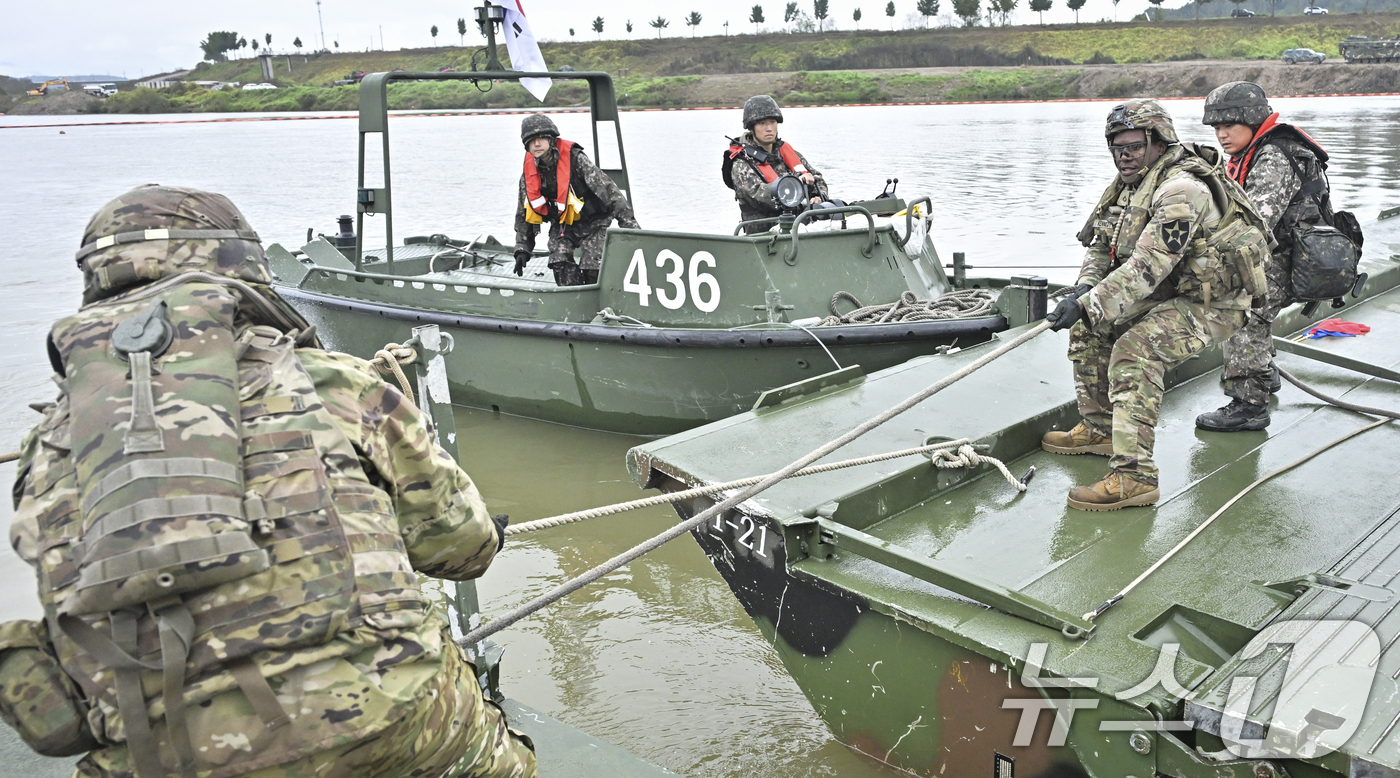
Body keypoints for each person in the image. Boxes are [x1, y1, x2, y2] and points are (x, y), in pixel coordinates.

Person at [3, 185, 536, 778]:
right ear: (240, 268)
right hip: (385, 724)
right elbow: (461, 550)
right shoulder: (330, 383)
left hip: (167, 758)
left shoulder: (49, 445)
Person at [1040, 100, 1269, 511]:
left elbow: (1149, 265)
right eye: (1115, 147)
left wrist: (1092, 302)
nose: (1122, 155)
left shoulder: (1182, 189)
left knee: (1137, 349)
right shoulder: (1131, 180)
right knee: (1089, 326)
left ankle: (1134, 477)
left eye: (1132, 145)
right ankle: (1102, 428)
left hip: (1216, 302)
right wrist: (1083, 291)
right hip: (1172, 289)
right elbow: (1101, 244)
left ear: (1159, 142)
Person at [1196, 81, 1334, 432]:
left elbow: (1254, 223)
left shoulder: (1273, 156)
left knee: (1242, 303)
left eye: (1230, 126)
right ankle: (1265, 371)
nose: (1222, 135)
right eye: (1216, 127)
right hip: (1290, 252)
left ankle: (1250, 404)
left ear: (1253, 121)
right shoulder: (1253, 152)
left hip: (1300, 260)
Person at [513, 113, 639, 287]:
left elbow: (610, 192)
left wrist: (631, 228)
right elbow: (523, 212)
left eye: (542, 138)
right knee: (558, 260)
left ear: (551, 139)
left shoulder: (576, 160)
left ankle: (598, 299)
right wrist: (522, 248)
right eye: (531, 140)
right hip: (564, 223)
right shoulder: (529, 174)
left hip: (594, 221)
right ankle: (574, 301)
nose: (537, 143)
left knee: (593, 264)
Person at [723, 95, 830, 234]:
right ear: (751, 128)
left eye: (772, 122)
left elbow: (817, 179)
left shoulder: (789, 154)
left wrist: (818, 197)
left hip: (799, 228)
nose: (769, 128)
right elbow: (760, 196)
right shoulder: (742, 163)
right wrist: (796, 183)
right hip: (763, 237)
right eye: (762, 123)